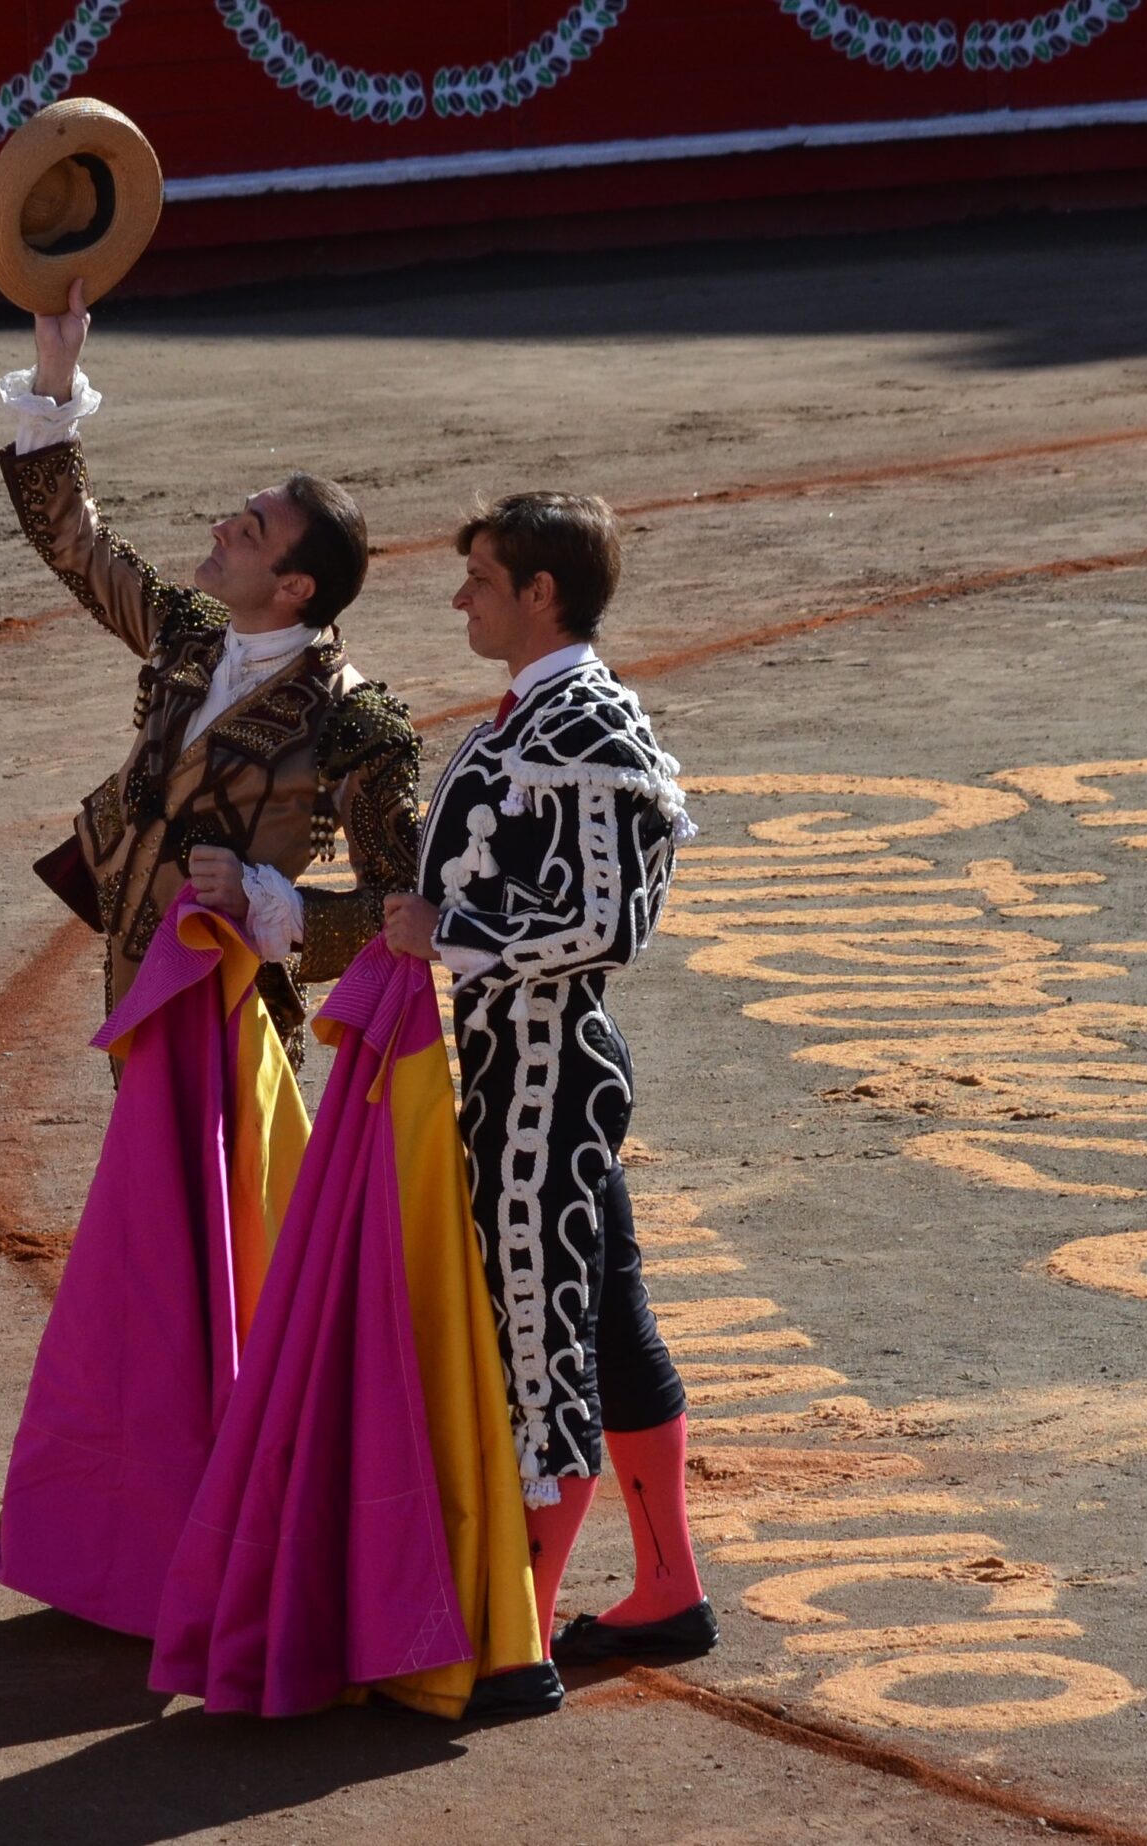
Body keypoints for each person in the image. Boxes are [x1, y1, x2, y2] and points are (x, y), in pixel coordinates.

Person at [382, 493, 715, 1668]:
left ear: (541, 593)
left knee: (537, 1338)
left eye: (479, 577)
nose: (461, 597)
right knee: (608, 1324)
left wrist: (451, 933)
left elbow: (605, 920)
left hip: (539, 1078)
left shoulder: (582, 727)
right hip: (522, 1060)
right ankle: (666, 1594)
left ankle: (513, 1634)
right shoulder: (551, 715)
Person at [0, 280, 420, 1054]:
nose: (221, 529)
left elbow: (401, 907)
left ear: (295, 588)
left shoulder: (354, 723)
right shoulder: (189, 634)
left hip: (239, 1018)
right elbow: (76, 549)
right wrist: (55, 376)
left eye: (250, 531)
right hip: (134, 987)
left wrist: (273, 902)